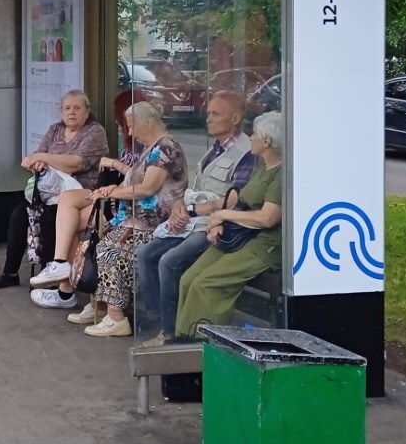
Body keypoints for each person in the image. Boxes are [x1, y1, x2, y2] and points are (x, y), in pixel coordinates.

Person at [30, 101, 188, 337]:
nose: (130, 132)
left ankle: (116, 316)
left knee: (108, 249)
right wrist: (113, 189)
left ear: (147, 122)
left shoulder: (165, 148)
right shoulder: (151, 148)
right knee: (95, 240)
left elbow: (147, 188)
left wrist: (113, 192)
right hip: (133, 218)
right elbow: (135, 181)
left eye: (132, 126)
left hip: (154, 223)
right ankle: (99, 304)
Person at [134, 90, 256, 345]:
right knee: (146, 253)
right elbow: (194, 189)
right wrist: (180, 207)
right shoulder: (215, 149)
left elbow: (237, 200)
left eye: (215, 114)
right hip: (193, 221)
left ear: (235, 118)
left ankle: (170, 333)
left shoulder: (246, 152)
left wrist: (192, 210)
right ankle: (160, 322)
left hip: (219, 226)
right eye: (208, 113)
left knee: (169, 261)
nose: (208, 118)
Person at [174, 110, 284, 339]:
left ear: (267, 141)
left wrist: (226, 215)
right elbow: (241, 200)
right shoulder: (261, 165)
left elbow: (268, 218)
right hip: (239, 235)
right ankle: (183, 338)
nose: (250, 138)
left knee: (206, 284)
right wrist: (219, 221)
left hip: (263, 245)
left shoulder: (281, 174)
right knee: (188, 279)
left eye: (254, 134)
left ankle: (203, 342)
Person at [0, 91, 109, 289]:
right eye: (67, 108)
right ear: (61, 111)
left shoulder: (95, 132)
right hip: (49, 192)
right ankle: (10, 273)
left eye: (77, 108)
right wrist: (39, 163)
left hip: (81, 193)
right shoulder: (55, 130)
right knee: (19, 215)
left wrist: (44, 158)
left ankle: (50, 277)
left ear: (87, 111)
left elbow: (76, 163)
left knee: (49, 217)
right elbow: (36, 157)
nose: (72, 112)